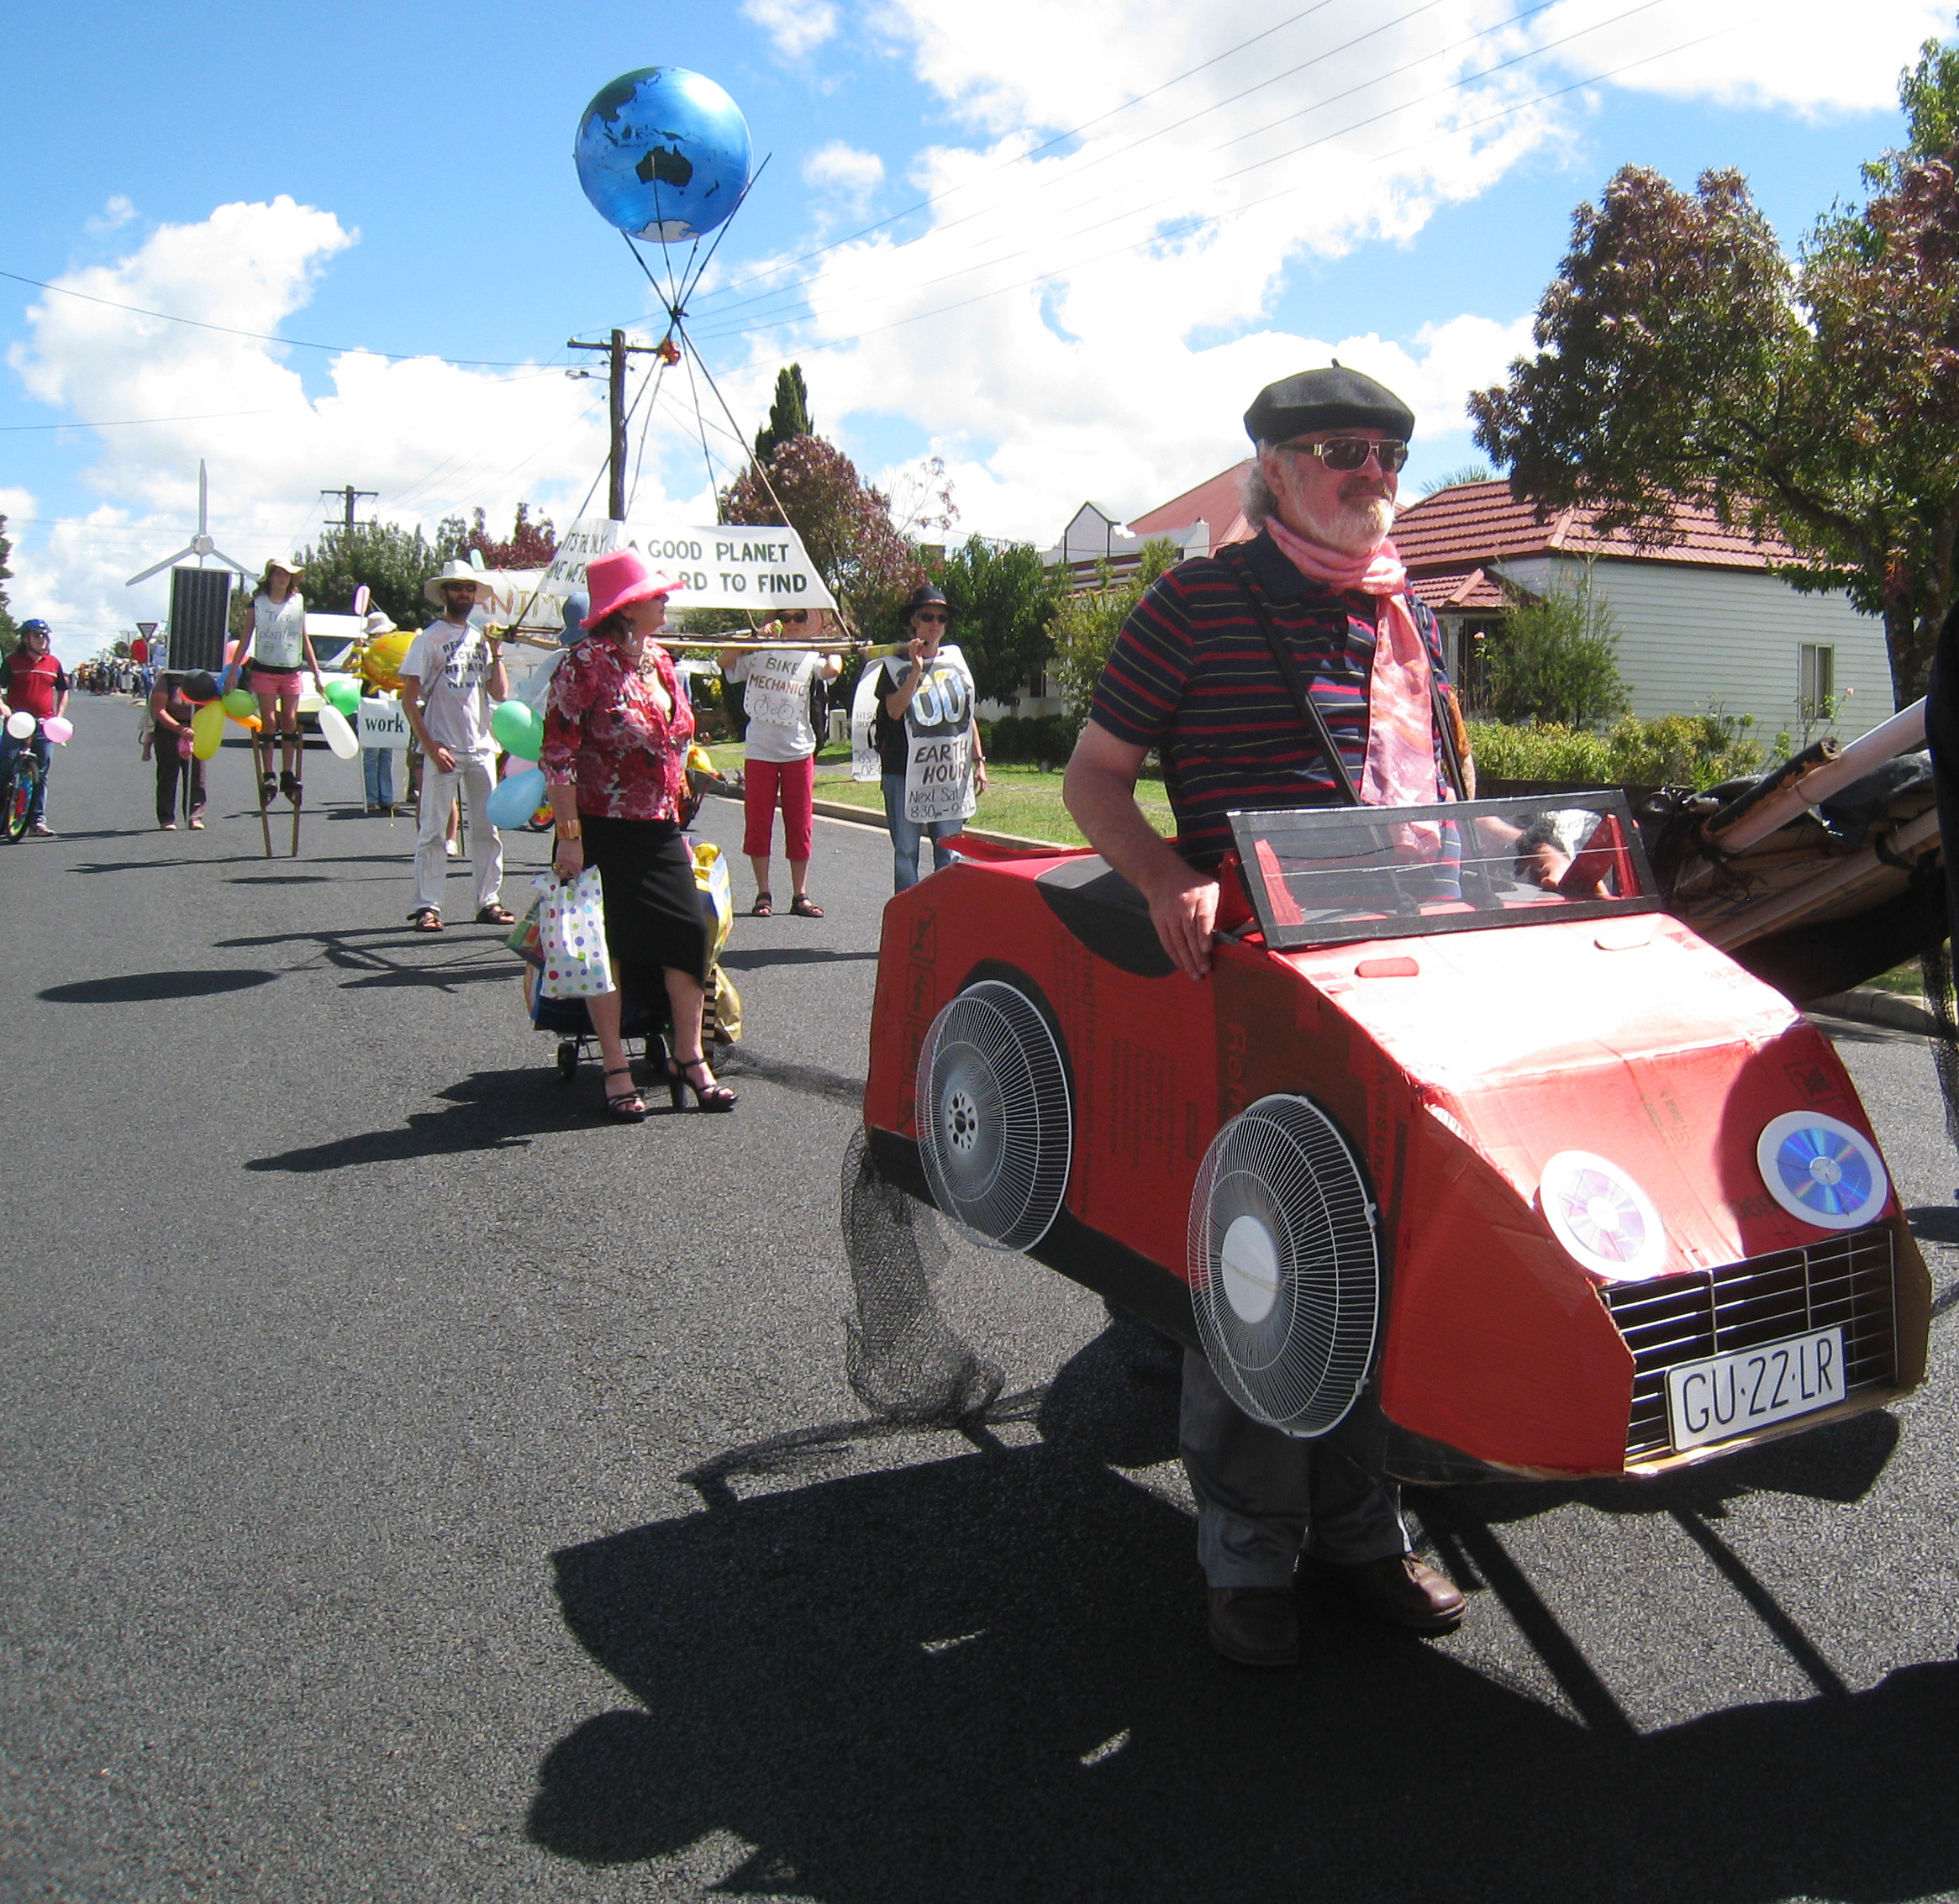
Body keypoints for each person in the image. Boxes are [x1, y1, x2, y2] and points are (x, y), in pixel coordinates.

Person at [1062, 365, 1470, 1668]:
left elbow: (1440, 791)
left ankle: (1363, 1526)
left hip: (1407, 976)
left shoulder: (1402, 612)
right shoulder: (1193, 601)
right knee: (1265, 1256)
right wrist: (1165, 875)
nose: (1371, 475)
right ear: (1274, 467)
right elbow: (1091, 781)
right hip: (1259, 982)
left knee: (1386, 1251)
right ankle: (1246, 1548)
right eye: (1343, 450)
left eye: (1387, 456)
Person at [541, 548, 733, 1120]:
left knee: (685, 931)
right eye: (656, 595)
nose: (666, 600)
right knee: (608, 950)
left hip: (657, 827)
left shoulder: (662, 661)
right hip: (598, 829)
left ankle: (689, 1056)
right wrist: (570, 837)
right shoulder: (583, 664)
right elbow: (557, 756)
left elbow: (674, 737)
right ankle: (615, 1068)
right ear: (626, 608)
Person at [400, 560, 512, 931]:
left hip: (481, 746)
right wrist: (430, 746)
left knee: (487, 828)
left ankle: (488, 900)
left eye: (469, 589)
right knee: (433, 830)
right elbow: (410, 699)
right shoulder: (428, 640)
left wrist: (496, 653)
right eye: (457, 588)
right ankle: (427, 905)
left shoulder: (481, 638)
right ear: (444, 594)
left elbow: (499, 692)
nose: (463, 594)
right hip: (443, 746)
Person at [719, 608, 842, 917]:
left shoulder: (808, 656)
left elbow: (832, 670)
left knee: (799, 823)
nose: (792, 624)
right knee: (758, 823)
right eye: (785, 617)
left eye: (799, 618)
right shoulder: (759, 652)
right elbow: (724, 662)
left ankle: (800, 894)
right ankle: (764, 892)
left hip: (798, 749)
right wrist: (753, 638)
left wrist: (831, 646)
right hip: (760, 750)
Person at [875, 585, 988, 892]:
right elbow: (895, 711)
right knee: (906, 851)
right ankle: (909, 916)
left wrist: (978, 760)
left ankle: (945, 915)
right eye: (927, 616)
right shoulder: (893, 665)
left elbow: (966, 715)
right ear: (914, 620)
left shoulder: (956, 662)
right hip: (904, 772)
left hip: (947, 775)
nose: (934, 623)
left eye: (941, 617)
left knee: (950, 851)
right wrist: (915, 671)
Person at [227, 557, 324, 807]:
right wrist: (232, 672)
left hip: (291, 669)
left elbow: (304, 638)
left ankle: (287, 772)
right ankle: (269, 773)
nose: (282, 579)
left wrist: (316, 672)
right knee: (269, 720)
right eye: (278, 574)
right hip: (265, 669)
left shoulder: (298, 603)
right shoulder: (257, 605)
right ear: (270, 577)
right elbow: (246, 639)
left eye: (287, 575)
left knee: (290, 719)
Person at [1, 619, 71, 835]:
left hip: (44, 724)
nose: (42, 639)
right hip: (17, 723)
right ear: (26, 638)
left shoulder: (53, 663)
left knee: (41, 771)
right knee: (7, 766)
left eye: (45, 636)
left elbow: (63, 690)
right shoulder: (12, 662)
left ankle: (37, 820)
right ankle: (3, 816)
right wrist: (3, 707)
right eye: (37, 635)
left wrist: (58, 716)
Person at [147, 671, 206, 829]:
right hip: (168, 732)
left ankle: (195, 816)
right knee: (168, 775)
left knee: (196, 774)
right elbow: (159, 710)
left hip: (196, 730)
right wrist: (180, 729)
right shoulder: (166, 680)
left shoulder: (203, 678)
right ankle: (166, 818)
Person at [357, 608, 402, 815]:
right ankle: (372, 798)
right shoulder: (364, 652)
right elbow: (348, 668)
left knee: (387, 753)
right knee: (372, 753)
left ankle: (387, 797)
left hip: (389, 704)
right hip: (370, 704)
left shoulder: (393, 652)